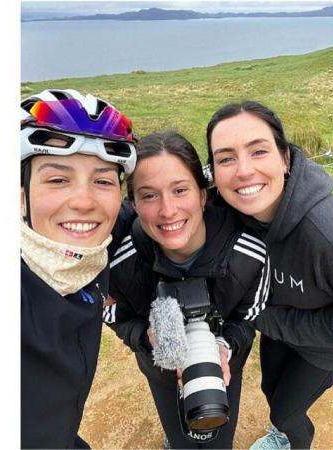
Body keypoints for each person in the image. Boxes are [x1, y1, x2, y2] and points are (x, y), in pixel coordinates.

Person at [206, 101, 333, 449]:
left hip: (326, 347)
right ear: (213, 172)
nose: (243, 171)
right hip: (279, 330)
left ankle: (293, 440)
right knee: (270, 389)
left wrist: (264, 317)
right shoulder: (232, 215)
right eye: (226, 158)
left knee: (285, 412)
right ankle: (283, 433)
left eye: (258, 151)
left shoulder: (332, 238)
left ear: (285, 158)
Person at [106, 131, 270, 449]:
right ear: (134, 204)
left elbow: (252, 315)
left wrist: (224, 346)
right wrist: (146, 337)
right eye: (149, 195)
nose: (168, 210)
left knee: (219, 443)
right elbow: (114, 315)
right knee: (181, 441)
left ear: (203, 194)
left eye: (180, 190)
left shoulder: (249, 253)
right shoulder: (120, 263)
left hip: (223, 370)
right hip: (161, 374)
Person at [20, 88, 138, 449]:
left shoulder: (92, 253)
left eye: (103, 181)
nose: (85, 202)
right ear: (19, 196)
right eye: (58, 179)